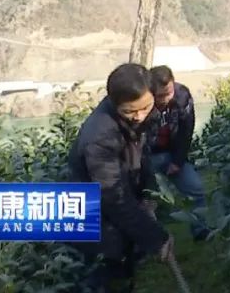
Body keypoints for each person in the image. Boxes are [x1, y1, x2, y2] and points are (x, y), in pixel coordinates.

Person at [68, 63, 173, 293]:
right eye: (130, 111)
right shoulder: (99, 136)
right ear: (114, 104)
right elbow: (113, 198)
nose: (139, 116)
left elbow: (142, 157)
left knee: (127, 270)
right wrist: (155, 237)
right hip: (93, 219)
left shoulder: (140, 115)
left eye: (145, 107)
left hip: (120, 211)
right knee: (106, 277)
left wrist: (149, 193)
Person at [146, 65, 210, 241]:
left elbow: (186, 131)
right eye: (161, 96)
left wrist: (178, 161)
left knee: (196, 189)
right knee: (148, 199)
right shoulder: (142, 103)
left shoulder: (182, 96)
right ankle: (152, 241)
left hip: (172, 153)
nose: (166, 98)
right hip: (147, 157)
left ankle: (200, 230)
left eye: (169, 92)